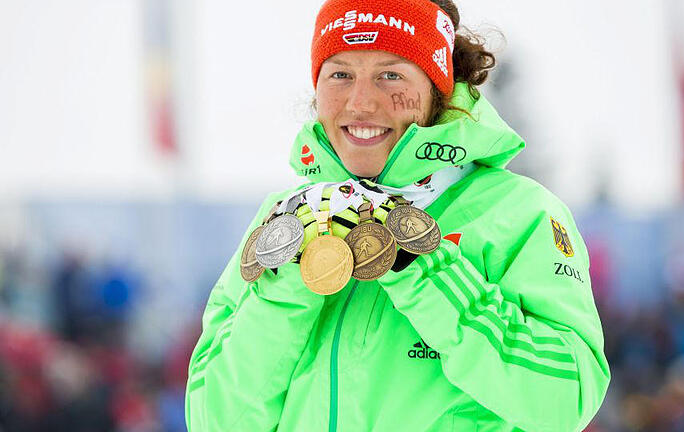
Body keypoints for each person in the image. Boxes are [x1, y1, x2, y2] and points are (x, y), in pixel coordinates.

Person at [185, 0, 610, 430]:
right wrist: (290, 285)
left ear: (437, 89)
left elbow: (567, 398)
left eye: (391, 75)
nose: (361, 102)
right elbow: (213, 420)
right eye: (340, 75)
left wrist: (424, 271)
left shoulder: (520, 214)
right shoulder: (284, 218)